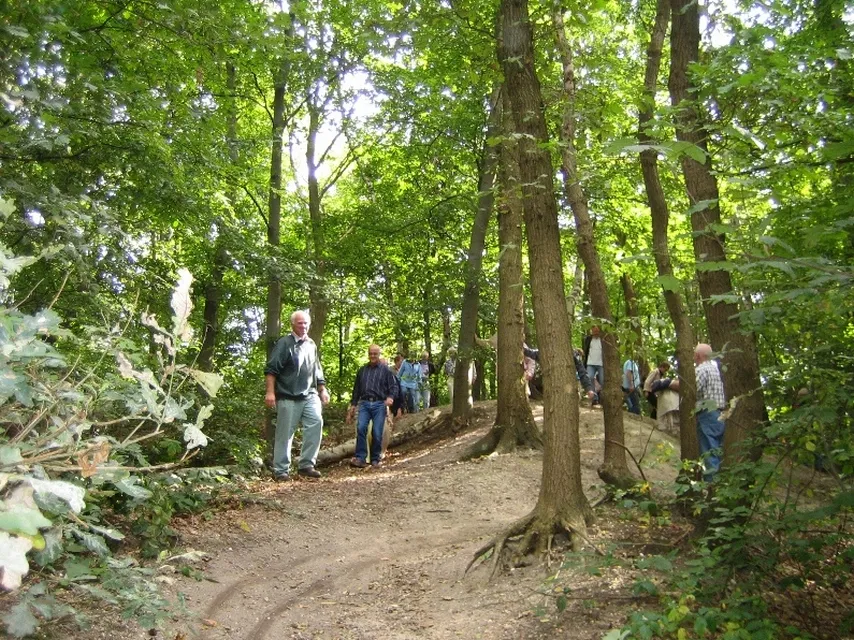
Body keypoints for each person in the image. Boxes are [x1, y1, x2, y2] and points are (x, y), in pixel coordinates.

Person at [264, 310, 330, 481]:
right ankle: (281, 470)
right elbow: (271, 370)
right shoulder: (284, 344)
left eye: (306, 323)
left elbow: (317, 369)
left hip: (309, 395)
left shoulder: (311, 344)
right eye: (300, 323)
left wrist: (322, 389)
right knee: (285, 433)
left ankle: (306, 465)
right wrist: (270, 392)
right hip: (287, 396)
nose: (304, 326)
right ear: (292, 324)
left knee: (316, 423)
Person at [346, 345, 399, 468]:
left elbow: (394, 386)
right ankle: (360, 458)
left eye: (375, 354)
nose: (373, 356)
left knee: (377, 431)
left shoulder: (385, 370)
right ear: (368, 354)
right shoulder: (362, 370)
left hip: (379, 404)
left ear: (379, 354)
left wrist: (390, 397)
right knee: (361, 428)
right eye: (371, 353)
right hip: (364, 404)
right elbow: (356, 390)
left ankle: (375, 458)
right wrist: (353, 405)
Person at [694, 343, 726, 480]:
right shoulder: (717, 370)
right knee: (718, 451)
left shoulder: (701, 370)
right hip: (720, 414)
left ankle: (712, 486)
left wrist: (671, 384)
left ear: (698, 356)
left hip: (707, 413)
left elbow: (693, 389)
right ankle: (721, 485)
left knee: (709, 451)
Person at [522, 344, 596, 402]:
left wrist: (588, 388)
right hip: (552, 390)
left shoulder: (572, 354)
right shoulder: (545, 352)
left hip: (569, 388)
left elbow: (582, 371)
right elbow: (530, 353)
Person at [582, 325, 605, 405]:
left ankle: (604, 398)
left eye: (597, 332)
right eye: (594, 332)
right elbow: (586, 350)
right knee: (589, 377)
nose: (595, 333)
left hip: (601, 363)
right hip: (590, 362)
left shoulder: (603, 339)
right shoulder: (588, 339)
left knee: (602, 381)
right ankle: (594, 398)